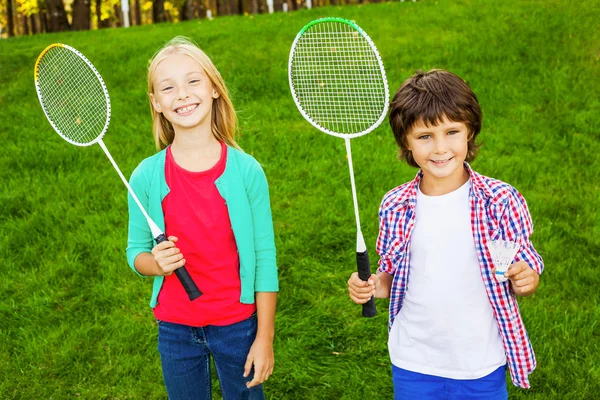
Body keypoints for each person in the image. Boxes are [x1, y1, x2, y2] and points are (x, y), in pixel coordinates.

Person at [347, 69, 543, 399]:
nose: (440, 148)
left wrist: (527, 279)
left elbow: (525, 271)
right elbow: (394, 278)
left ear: (469, 132)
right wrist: (370, 286)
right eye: (425, 136)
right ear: (406, 141)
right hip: (414, 360)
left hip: (480, 362)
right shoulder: (396, 205)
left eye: (451, 131)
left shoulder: (501, 201)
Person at [126, 36, 278, 400]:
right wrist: (156, 264)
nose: (182, 94)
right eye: (168, 87)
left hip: (237, 324)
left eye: (193, 81)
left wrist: (264, 336)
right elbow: (136, 254)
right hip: (175, 326)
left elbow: (264, 259)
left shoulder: (246, 172)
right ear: (156, 103)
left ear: (213, 88)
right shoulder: (145, 177)